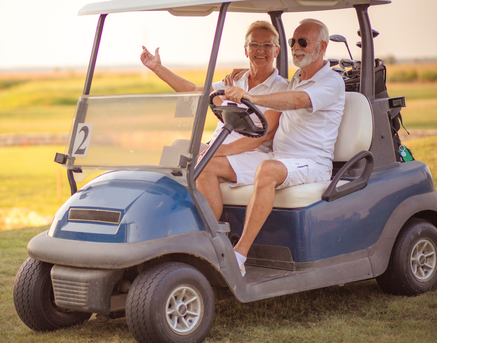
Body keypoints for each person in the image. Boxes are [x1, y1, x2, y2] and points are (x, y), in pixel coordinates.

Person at [197, 18, 345, 276]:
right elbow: (267, 78)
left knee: (266, 170)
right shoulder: (297, 77)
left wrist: (250, 97)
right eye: (292, 42)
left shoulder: (331, 82)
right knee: (202, 161)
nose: (296, 48)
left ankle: (238, 256)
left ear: (322, 47)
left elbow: (297, 101)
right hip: (282, 157)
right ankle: (205, 242)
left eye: (302, 42)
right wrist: (243, 73)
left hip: (312, 162)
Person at [140, 20, 288, 170]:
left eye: (267, 45)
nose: (260, 50)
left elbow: (266, 134)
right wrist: (157, 68)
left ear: (277, 51)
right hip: (217, 147)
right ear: (246, 50)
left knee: (204, 164)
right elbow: (193, 91)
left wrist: (223, 150)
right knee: (177, 148)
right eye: (254, 45)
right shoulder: (235, 80)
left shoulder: (280, 87)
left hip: (250, 155)